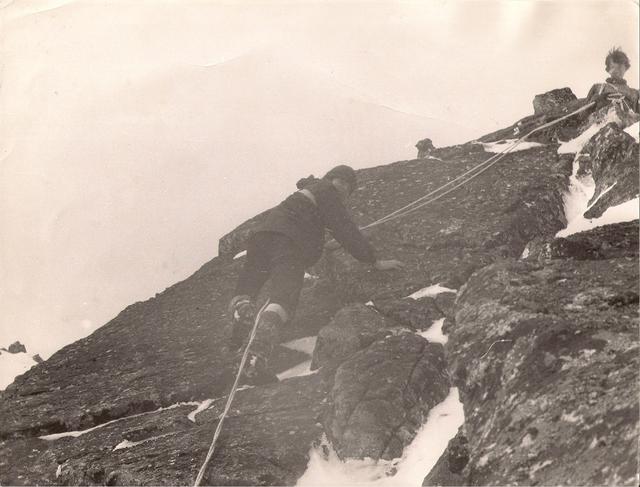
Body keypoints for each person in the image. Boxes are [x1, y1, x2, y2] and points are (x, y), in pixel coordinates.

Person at [228, 164, 404, 383]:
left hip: (262, 239)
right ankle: (252, 360)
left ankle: (238, 338)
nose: (346, 194)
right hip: (288, 242)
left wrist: (320, 243)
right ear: (340, 181)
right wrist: (373, 260)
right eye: (347, 187)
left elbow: (314, 224)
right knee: (283, 299)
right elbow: (344, 228)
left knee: (246, 290)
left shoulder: (307, 193)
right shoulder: (327, 191)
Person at [587, 47, 639, 113]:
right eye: (612, 67)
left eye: (620, 67)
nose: (616, 70)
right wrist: (595, 100)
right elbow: (583, 114)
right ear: (608, 69)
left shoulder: (634, 93)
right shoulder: (597, 88)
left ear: (626, 68)